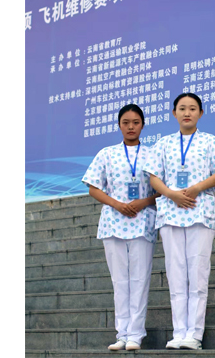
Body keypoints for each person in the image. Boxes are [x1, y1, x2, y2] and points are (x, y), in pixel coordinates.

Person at [142, 92, 215, 350]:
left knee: (198, 272)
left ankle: (194, 335)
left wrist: (196, 188)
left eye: (193, 108)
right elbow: (153, 176)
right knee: (176, 273)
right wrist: (171, 194)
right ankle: (179, 332)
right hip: (170, 213)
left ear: (200, 113)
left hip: (199, 211)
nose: (187, 113)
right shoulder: (163, 143)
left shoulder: (209, 141)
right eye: (182, 108)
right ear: (174, 113)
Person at [81, 103, 160, 351]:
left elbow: (162, 190)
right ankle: (122, 334)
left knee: (139, 280)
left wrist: (143, 202)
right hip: (113, 222)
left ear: (143, 125)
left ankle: (135, 335)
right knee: (119, 281)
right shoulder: (106, 154)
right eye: (126, 123)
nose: (130, 127)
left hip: (143, 221)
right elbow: (93, 187)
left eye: (135, 122)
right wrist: (116, 204)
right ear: (119, 125)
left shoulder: (153, 154)